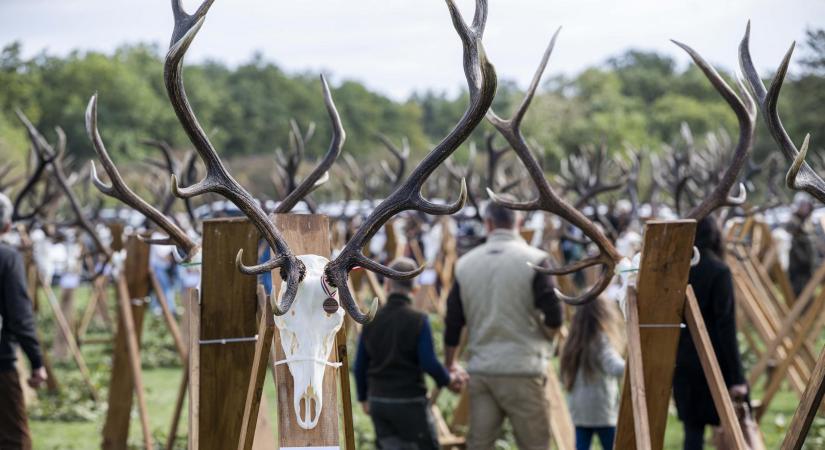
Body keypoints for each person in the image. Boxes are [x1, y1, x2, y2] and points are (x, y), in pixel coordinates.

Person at [444, 201, 563, 449]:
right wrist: (546, 337)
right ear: (518, 222)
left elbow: (453, 321)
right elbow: (555, 315)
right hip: (524, 370)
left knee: (479, 444)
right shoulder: (536, 260)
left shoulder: (465, 264)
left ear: (487, 223)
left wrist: (451, 363)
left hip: (483, 372)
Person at [354, 257, 462, 450]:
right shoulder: (419, 320)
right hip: (410, 401)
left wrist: (363, 397)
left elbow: (360, 364)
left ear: (387, 285)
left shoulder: (371, 321)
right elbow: (429, 362)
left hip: (379, 401)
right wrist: (447, 379)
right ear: (414, 289)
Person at [673, 216, 747, 450]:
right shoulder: (719, 271)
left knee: (692, 430)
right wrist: (737, 377)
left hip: (683, 358)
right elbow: (726, 327)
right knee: (727, 429)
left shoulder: (678, 269)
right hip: (712, 360)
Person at [0, 193, 47, 450]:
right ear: (7, 226)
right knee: (14, 439)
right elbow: (19, 317)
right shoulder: (7, 257)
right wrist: (37, 362)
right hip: (1, 365)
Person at [560, 297, 625, 450]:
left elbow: (563, 375)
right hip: (602, 410)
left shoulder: (572, 340)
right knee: (612, 446)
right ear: (603, 313)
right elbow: (615, 367)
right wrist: (634, 363)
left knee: (581, 446)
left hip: (579, 410)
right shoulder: (600, 340)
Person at [787, 192, 816, 296]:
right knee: (799, 294)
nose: (807, 208)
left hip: (807, 268)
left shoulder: (806, 222)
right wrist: (804, 260)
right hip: (798, 268)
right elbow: (793, 245)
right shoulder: (793, 222)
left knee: (809, 294)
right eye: (804, 205)